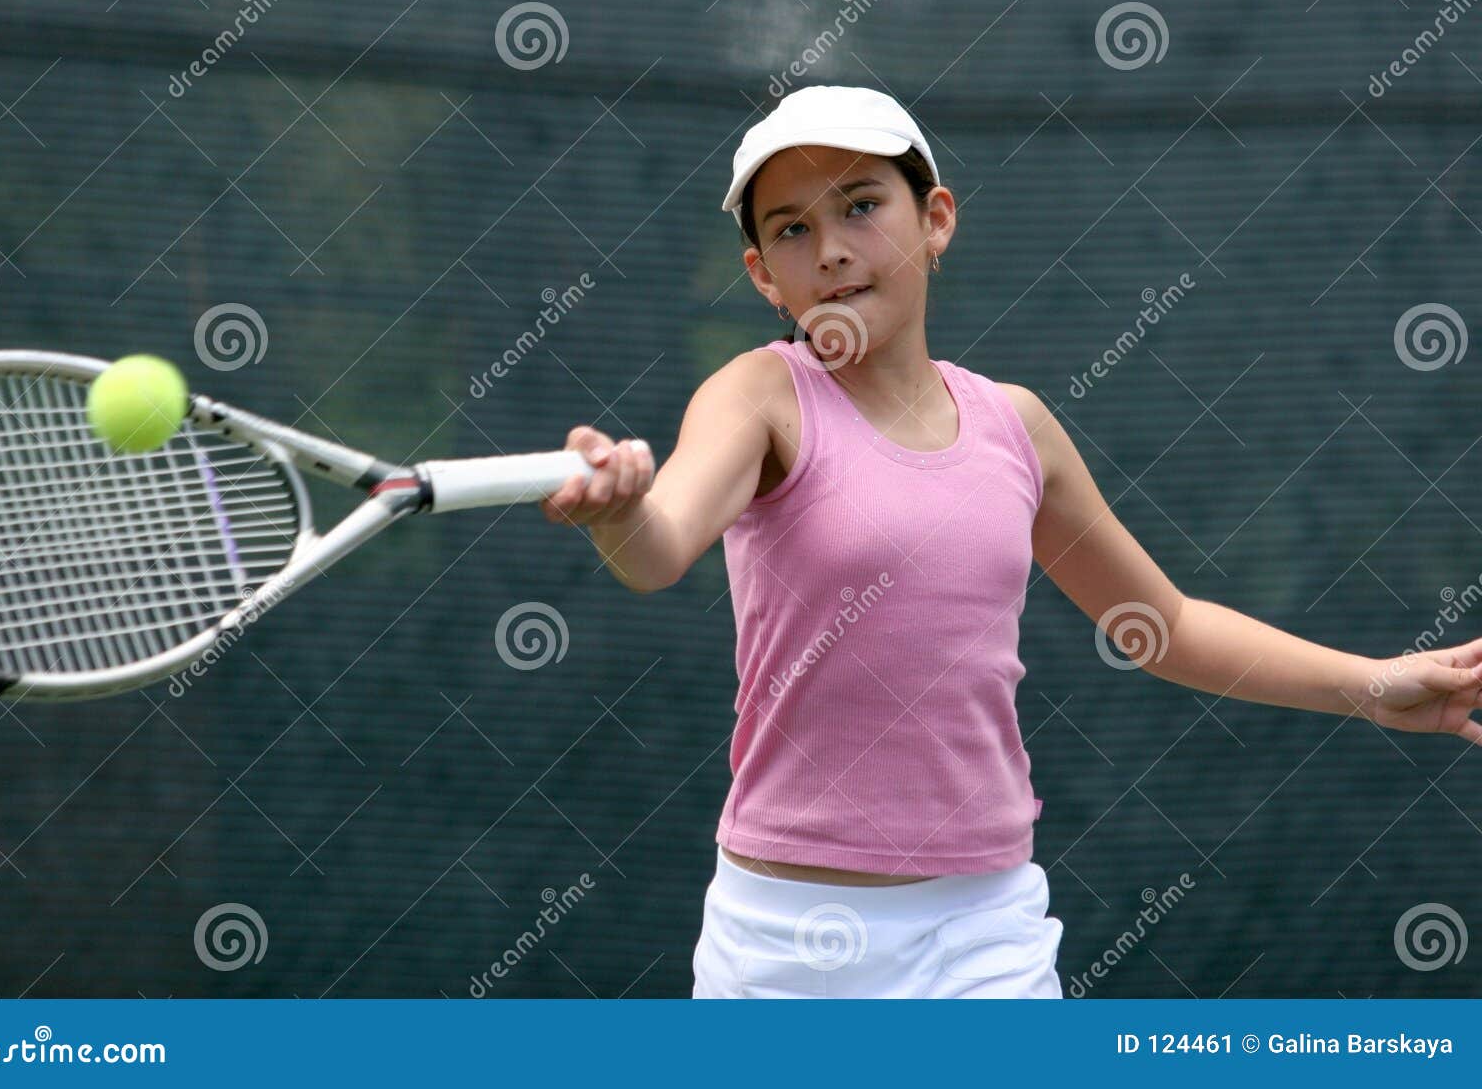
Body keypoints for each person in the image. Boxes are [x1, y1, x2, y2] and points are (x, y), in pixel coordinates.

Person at [539, 85, 1482, 998]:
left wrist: (1370, 683)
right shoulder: (757, 395)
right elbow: (659, 549)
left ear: (935, 218)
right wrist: (620, 509)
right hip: (784, 942)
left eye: (862, 205)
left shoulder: (1017, 428)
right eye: (790, 229)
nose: (830, 250)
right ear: (762, 275)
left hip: (983, 934)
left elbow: (1169, 626)